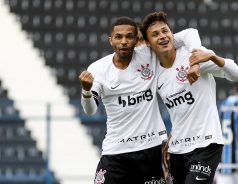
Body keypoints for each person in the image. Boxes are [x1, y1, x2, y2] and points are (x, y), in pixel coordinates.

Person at [79, 16, 202, 184]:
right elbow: (90, 110)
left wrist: (196, 58)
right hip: (115, 151)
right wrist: (86, 90)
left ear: (137, 40)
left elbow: (190, 33)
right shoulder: (98, 69)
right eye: (119, 37)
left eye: (129, 36)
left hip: (149, 150)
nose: (124, 41)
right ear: (111, 40)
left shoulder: (149, 55)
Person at [140, 11, 238, 184]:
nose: (162, 36)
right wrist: (170, 139)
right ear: (148, 44)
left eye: (165, 31)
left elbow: (237, 75)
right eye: (155, 34)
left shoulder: (193, 56)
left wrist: (212, 56)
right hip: (177, 149)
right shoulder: (154, 72)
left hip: (206, 143)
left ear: (172, 34)